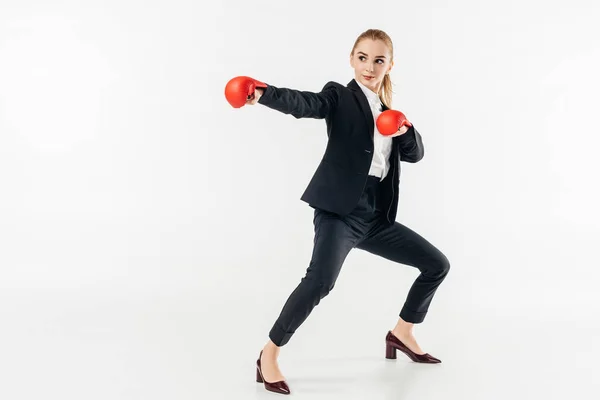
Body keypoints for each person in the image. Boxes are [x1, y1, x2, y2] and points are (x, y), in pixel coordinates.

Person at [226, 28, 450, 395]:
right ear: (352, 59)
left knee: (436, 264)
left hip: (375, 217)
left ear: (390, 65)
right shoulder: (340, 96)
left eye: (379, 60)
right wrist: (263, 93)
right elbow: (306, 103)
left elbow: (415, 153)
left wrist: (404, 127)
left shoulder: (388, 111)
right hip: (339, 214)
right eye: (363, 58)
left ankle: (402, 332)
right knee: (320, 281)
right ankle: (268, 354)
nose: (370, 66)